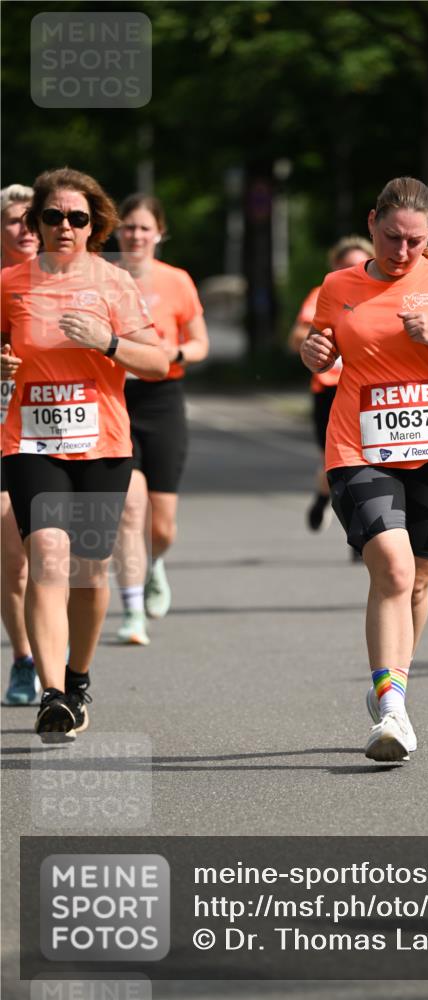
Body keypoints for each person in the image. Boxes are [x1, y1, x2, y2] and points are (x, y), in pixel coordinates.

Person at [300, 177, 428, 762]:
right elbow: (323, 346)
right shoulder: (339, 286)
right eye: (392, 238)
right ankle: (392, 711)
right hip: (358, 446)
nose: (402, 251)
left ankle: (393, 685)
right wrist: (314, 352)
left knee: (417, 579)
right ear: (372, 223)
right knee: (390, 565)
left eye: (414, 240)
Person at [1, 167, 168, 740]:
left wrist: (109, 342)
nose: (66, 226)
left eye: (78, 218)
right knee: (46, 553)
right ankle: (51, 694)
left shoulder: (113, 282)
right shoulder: (10, 283)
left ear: (94, 224)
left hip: (102, 444)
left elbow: (158, 361)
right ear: (36, 222)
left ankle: (77, 678)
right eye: (54, 216)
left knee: (88, 571)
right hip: (30, 442)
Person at [112, 194, 209, 645]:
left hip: (164, 397)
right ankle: (132, 611)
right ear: (117, 231)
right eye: (128, 227)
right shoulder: (102, 279)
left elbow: (200, 343)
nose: (135, 235)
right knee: (130, 507)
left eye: (144, 228)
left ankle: (153, 564)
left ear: (159, 233)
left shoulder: (178, 281)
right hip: (114, 398)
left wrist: (177, 352)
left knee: (162, 525)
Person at [289, 236, 374, 533]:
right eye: (346, 264)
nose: (354, 269)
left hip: (368, 391)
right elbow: (298, 335)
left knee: (370, 459)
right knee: (335, 462)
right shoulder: (325, 292)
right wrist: (324, 343)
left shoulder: (380, 294)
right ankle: (323, 497)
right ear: (335, 266)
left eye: (360, 263)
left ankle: (367, 528)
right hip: (329, 389)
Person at [1, 184, 40, 704]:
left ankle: (62, 654)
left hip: (54, 434)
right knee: (14, 559)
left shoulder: (74, 283)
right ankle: (24, 658)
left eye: (36, 219)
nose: (27, 228)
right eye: (13, 221)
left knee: (52, 556)